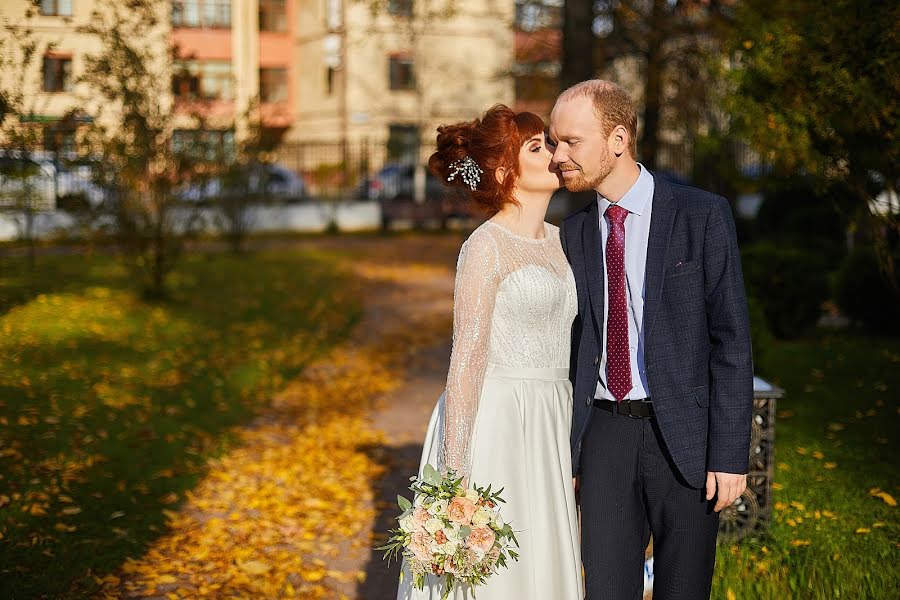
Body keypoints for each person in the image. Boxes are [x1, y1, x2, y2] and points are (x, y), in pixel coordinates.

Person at [549, 80, 754, 600]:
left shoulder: (701, 215)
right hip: (605, 439)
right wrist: (572, 452)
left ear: (618, 139)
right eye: (554, 142)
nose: (558, 157)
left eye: (571, 141)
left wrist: (730, 454)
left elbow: (731, 342)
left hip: (684, 439)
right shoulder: (572, 233)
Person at [396, 105, 584, 600]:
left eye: (552, 143)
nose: (555, 154)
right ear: (505, 172)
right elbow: (466, 361)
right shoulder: (486, 248)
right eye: (537, 147)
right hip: (498, 422)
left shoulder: (566, 243)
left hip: (552, 420)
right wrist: (453, 480)